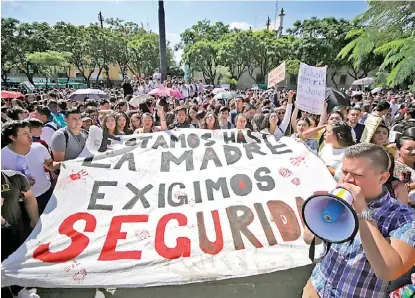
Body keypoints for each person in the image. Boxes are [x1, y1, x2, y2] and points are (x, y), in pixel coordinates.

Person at [303, 143, 415, 298]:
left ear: (383, 177)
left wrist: (362, 212)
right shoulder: (338, 197)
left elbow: (389, 271)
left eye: (357, 175)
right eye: (344, 172)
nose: (347, 180)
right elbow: (309, 238)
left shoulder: (403, 218)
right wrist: (322, 207)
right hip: (316, 288)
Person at [1, 121, 60, 214]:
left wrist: (63, 164)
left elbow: (50, 165)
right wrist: (20, 183)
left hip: (46, 194)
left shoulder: (39, 148)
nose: (30, 136)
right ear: (12, 137)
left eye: (29, 132)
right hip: (20, 202)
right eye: (25, 133)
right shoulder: (2, 155)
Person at [2, 171, 41, 298]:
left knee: (16, 263)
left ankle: (20, 291)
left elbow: (29, 196)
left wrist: (34, 219)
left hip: (15, 232)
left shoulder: (14, 177)